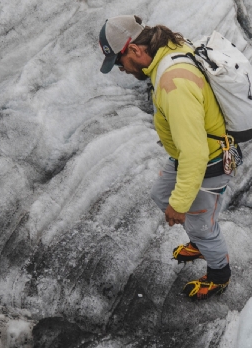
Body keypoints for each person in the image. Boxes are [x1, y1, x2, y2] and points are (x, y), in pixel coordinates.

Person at [98, 15, 232, 300]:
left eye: (120, 63)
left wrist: (181, 204)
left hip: (209, 160)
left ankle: (219, 275)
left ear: (134, 50)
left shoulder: (173, 82)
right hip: (186, 154)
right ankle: (199, 239)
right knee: (161, 195)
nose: (121, 70)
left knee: (200, 223)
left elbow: (196, 153)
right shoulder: (168, 50)